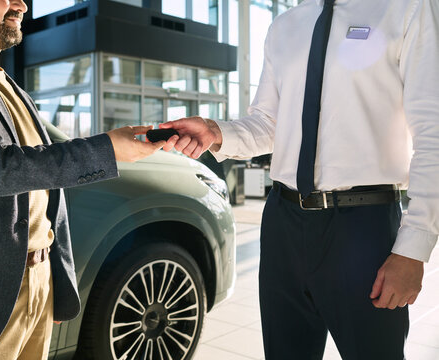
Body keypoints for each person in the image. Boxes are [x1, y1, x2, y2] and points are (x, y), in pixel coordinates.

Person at [160, 0, 439, 358]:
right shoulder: (285, 25)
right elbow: (267, 124)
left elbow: (432, 134)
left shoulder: (407, 8)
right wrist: (216, 132)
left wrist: (413, 249)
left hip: (363, 228)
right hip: (283, 224)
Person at [0, 0, 165, 358]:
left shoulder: (14, 89)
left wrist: (55, 281)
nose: (21, 4)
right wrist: (108, 150)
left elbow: (46, 190)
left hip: (37, 288)